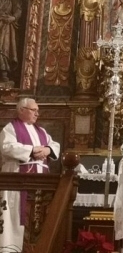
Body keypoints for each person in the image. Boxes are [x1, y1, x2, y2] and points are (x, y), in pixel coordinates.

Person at [0, 98, 60, 251]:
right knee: (15, 216)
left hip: (41, 181)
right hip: (17, 181)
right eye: (34, 110)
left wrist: (47, 150)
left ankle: (37, 247)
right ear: (22, 110)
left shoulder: (40, 131)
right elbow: (7, 147)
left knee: (38, 217)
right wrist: (32, 151)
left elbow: (54, 144)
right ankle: (11, 248)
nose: (37, 114)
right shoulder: (10, 128)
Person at [0, 0, 22, 83]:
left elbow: (18, 10)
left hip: (7, 27)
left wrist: (13, 18)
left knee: (4, 49)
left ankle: (4, 75)